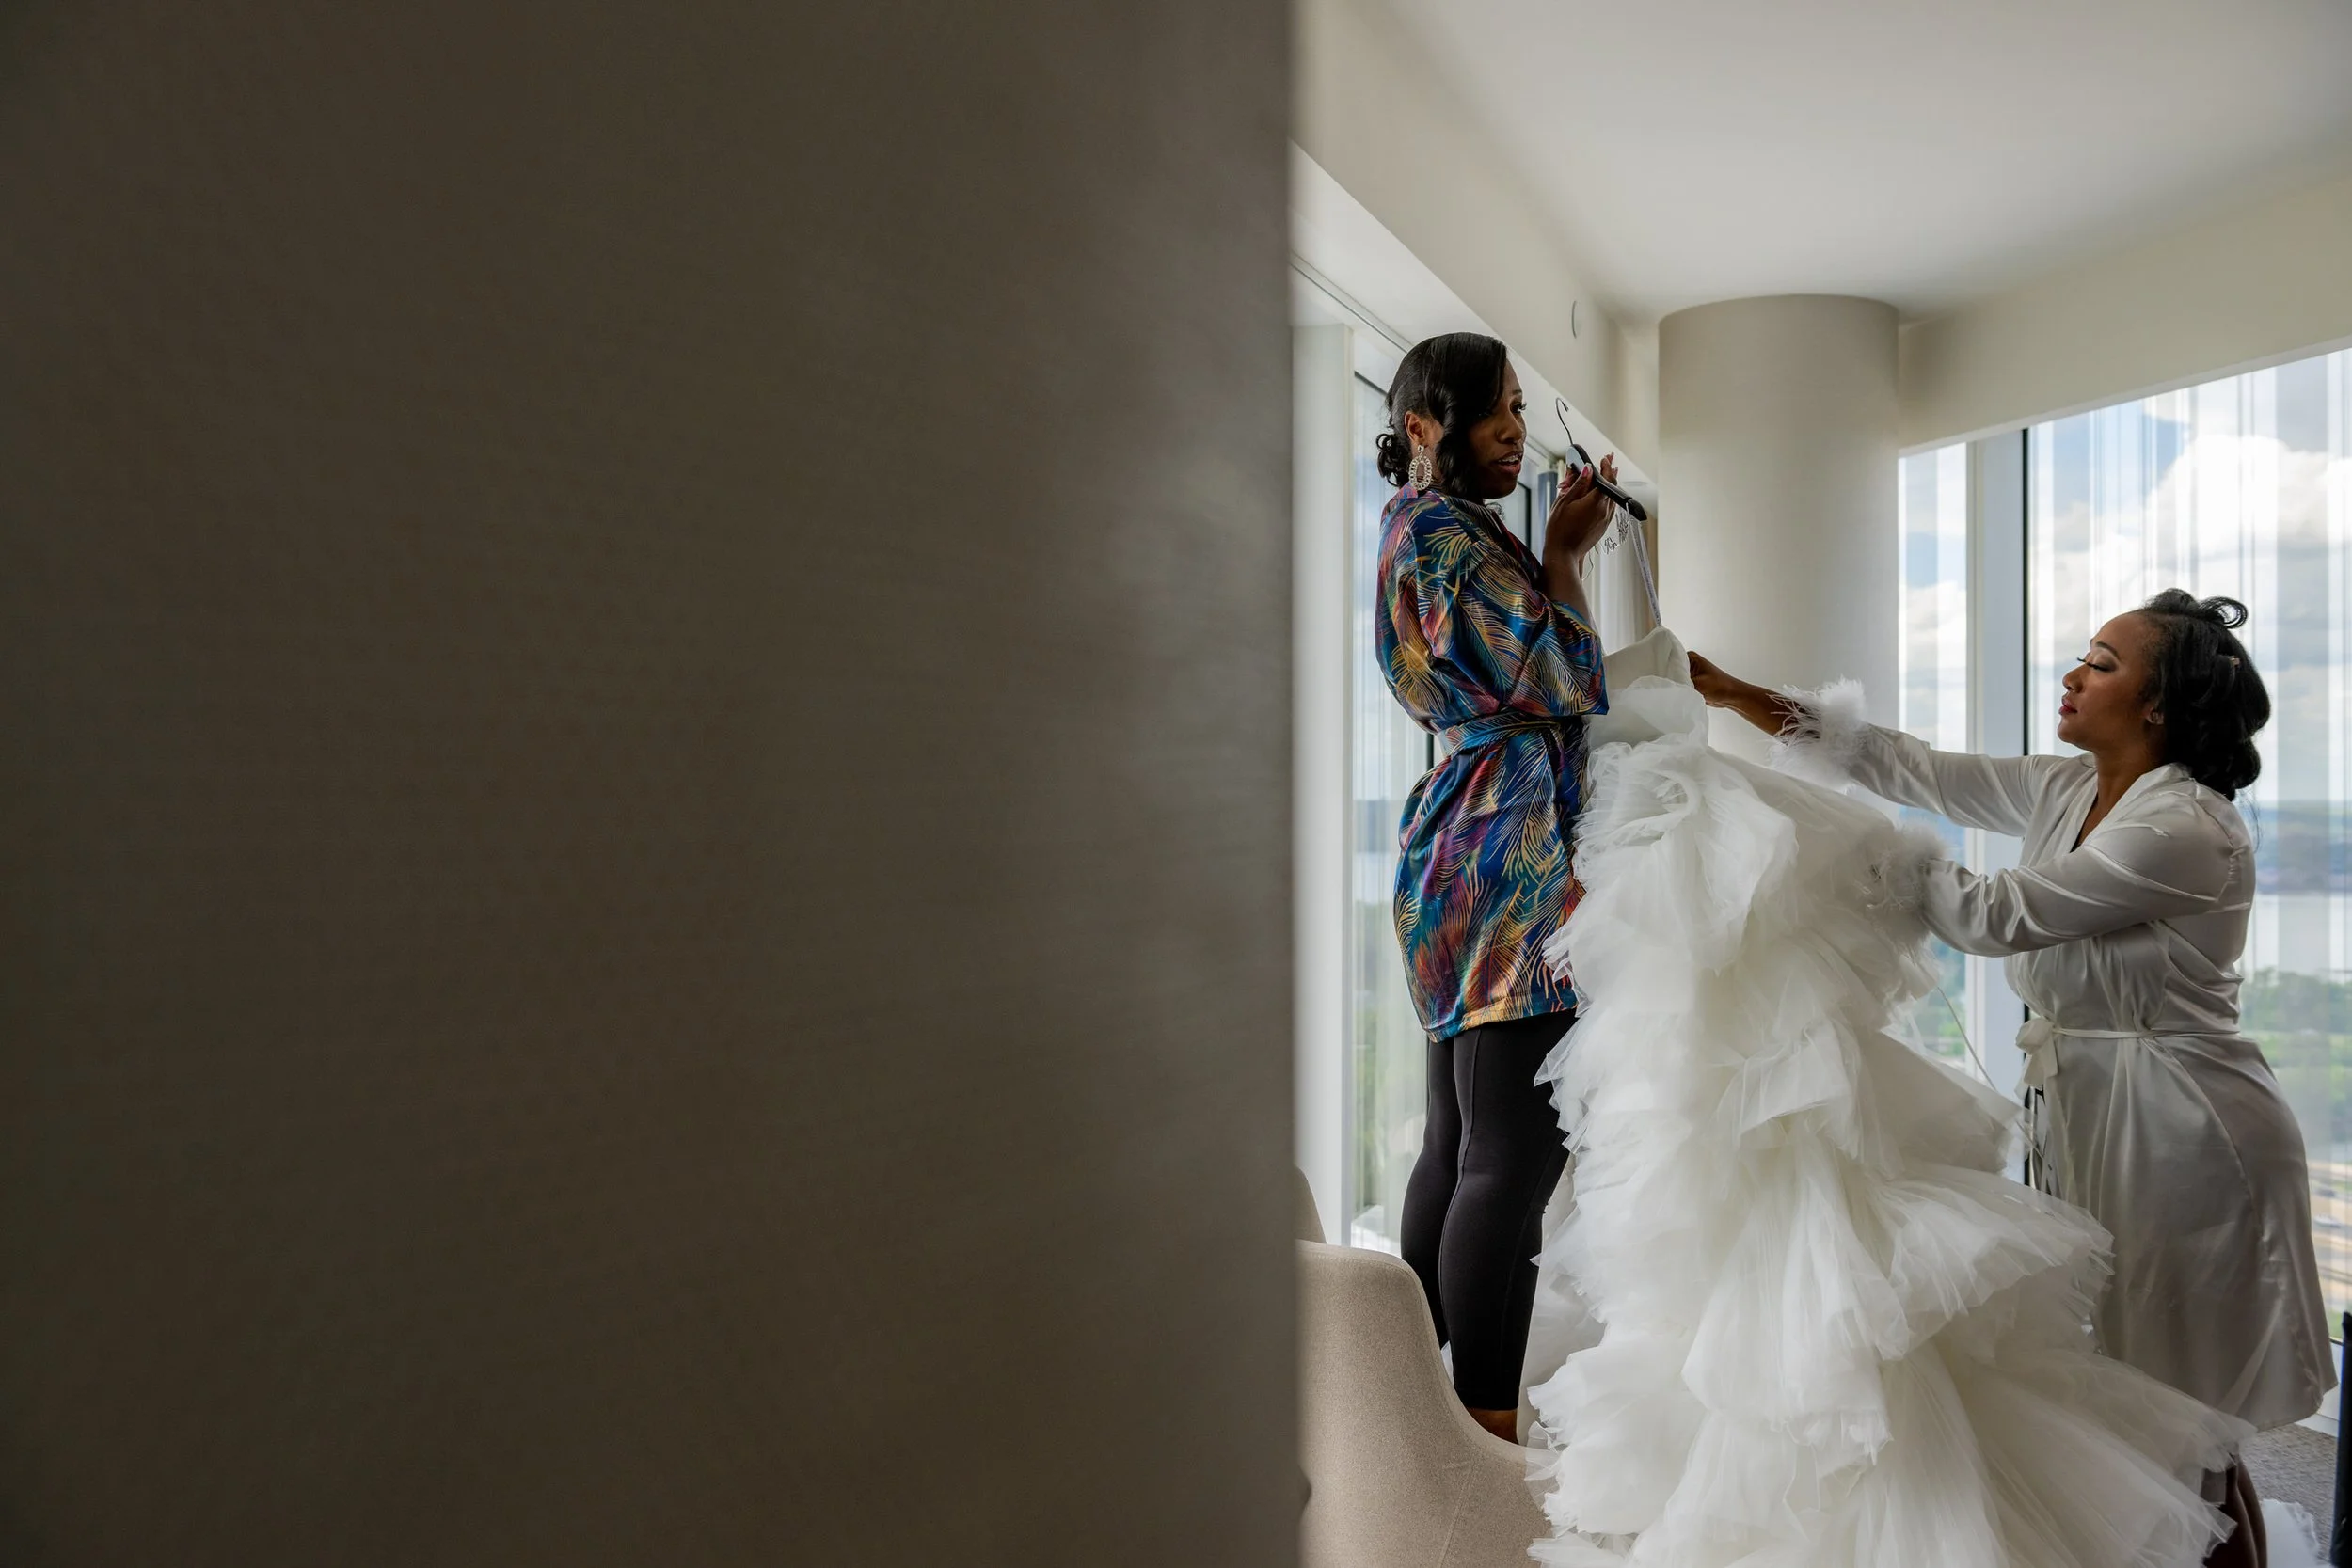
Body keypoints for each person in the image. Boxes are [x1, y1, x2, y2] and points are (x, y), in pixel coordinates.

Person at [1689, 590, 2335, 1568]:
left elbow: (1994, 915)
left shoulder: (2188, 829)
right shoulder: (2064, 787)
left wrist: (1859, 848)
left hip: (2187, 1134)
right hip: (2090, 1111)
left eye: (2103, 663)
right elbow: (1912, 767)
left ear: (2157, 706)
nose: (2073, 675)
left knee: (2183, 1423)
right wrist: (1736, 695)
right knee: (2136, 1405)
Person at [1374, 332, 1620, 1443]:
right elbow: (1563, 677)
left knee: (1461, 1146)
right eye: (1493, 411)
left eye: (1519, 408)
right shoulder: (1439, 531)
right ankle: (1478, 1440)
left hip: (1467, 844)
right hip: (1503, 851)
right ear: (1426, 424)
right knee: (1508, 1160)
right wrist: (1565, 553)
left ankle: (1406, 1414)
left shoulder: (1438, 531)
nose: (1515, 430)